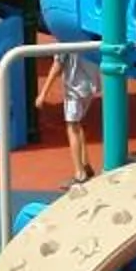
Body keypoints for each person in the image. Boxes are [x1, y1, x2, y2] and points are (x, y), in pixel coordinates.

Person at [41, 49, 102, 183]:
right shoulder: (87, 38)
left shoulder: (65, 41)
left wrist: (43, 93)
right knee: (77, 124)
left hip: (74, 89)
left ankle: (79, 173)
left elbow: (57, 65)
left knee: (72, 127)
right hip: (89, 86)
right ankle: (85, 164)